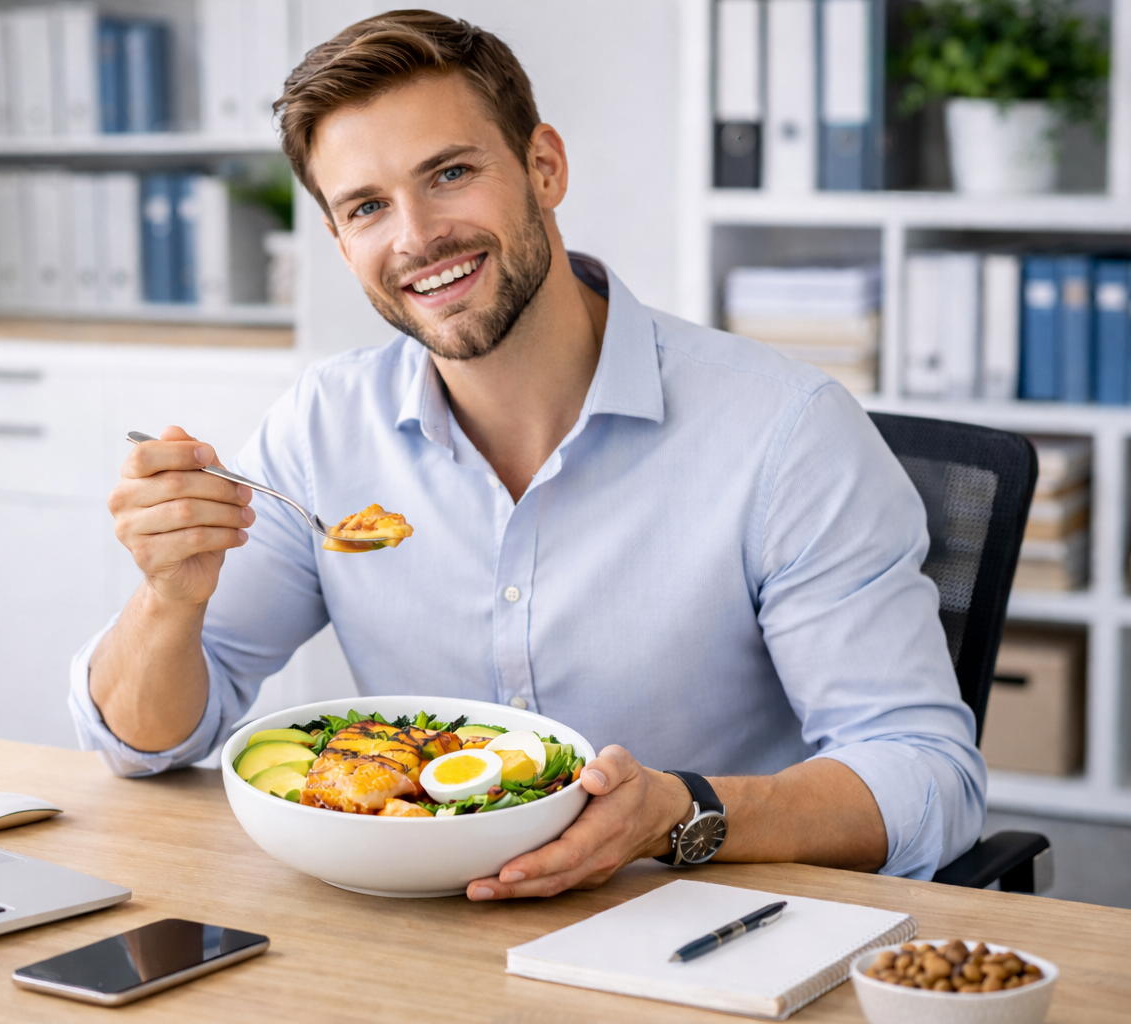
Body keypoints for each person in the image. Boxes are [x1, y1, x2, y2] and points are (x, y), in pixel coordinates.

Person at [69, 10, 985, 898]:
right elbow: (142, 743)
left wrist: (680, 813)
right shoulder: (322, 429)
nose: (417, 236)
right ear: (341, 241)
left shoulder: (785, 431)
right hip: (418, 931)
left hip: (696, 923)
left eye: (452, 172)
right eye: (367, 207)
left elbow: (925, 776)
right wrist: (168, 600)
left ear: (543, 167)